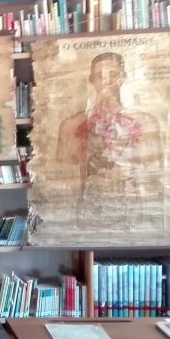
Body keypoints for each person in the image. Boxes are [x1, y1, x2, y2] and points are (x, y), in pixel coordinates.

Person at [56, 52, 159, 229]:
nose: (106, 81)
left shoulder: (146, 122)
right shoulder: (71, 125)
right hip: (89, 212)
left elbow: (153, 171)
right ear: (91, 80)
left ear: (123, 77)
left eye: (113, 74)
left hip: (130, 214)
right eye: (100, 75)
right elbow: (63, 176)